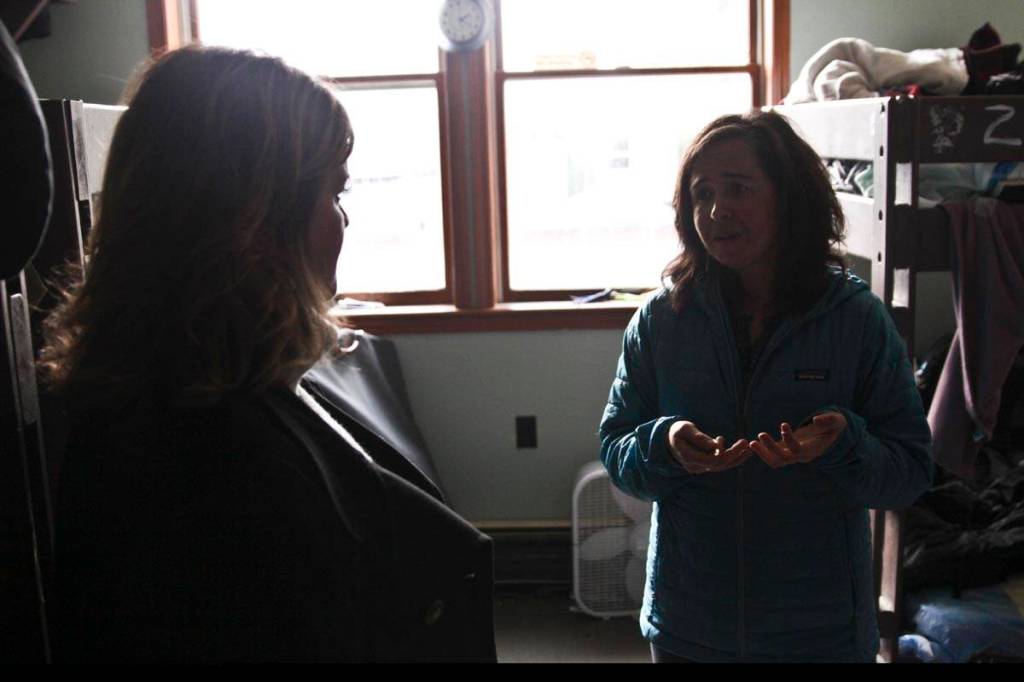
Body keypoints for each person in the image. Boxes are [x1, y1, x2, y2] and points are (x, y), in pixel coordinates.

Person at [40, 46, 495, 663]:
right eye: (333, 193)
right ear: (253, 219)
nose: (343, 222)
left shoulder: (178, 385)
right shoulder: (212, 463)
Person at [599, 110, 933, 663]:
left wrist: (844, 444)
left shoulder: (856, 321)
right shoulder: (661, 321)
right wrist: (665, 444)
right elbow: (616, 452)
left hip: (818, 631)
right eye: (701, 193)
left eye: (739, 188)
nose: (716, 209)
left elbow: (909, 474)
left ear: (788, 198)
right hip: (690, 623)